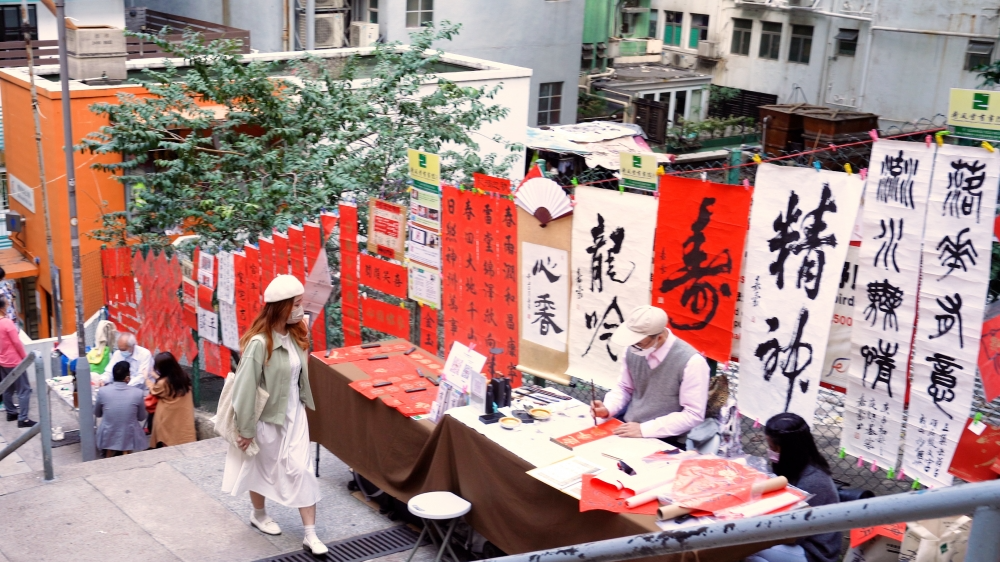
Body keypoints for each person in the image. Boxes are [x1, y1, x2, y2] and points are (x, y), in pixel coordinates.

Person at [221, 275, 326, 556]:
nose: (301, 308)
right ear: (282, 306)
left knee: (302, 469)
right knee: (259, 467)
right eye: (297, 303)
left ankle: (310, 534)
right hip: (268, 417)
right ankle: (259, 514)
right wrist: (245, 429)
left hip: (295, 412)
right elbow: (244, 388)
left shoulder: (297, 333)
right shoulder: (259, 343)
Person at [590, 305, 709, 448]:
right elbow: (624, 387)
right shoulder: (633, 348)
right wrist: (608, 408)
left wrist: (644, 429)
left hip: (668, 439)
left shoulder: (692, 362)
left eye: (639, 343)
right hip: (628, 427)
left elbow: (693, 414)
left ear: (659, 337)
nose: (633, 347)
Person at [746, 413, 841, 562]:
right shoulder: (795, 465)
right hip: (794, 539)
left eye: (772, 447)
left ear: (788, 450)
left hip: (814, 552)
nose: (769, 451)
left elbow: (794, 536)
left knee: (746, 548)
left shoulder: (813, 481)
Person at [95, 361, 149, 457]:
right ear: (127, 378)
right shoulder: (138, 393)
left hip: (108, 434)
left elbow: (97, 413)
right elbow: (141, 417)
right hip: (129, 434)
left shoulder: (102, 391)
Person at [148, 351, 196, 448]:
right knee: (182, 435)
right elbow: (169, 381)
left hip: (168, 416)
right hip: (183, 415)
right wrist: (155, 376)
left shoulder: (162, 383)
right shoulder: (184, 376)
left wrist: (146, 378)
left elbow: (154, 390)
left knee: (167, 437)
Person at [0, 296, 33, 427]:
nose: (8, 306)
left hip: (2, 361)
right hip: (14, 361)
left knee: (7, 387)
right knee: (24, 389)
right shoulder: (7, 323)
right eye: (7, 304)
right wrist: (25, 358)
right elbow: (16, 342)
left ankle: (11, 412)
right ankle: (23, 419)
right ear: (2, 308)